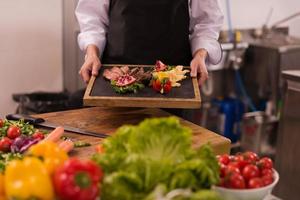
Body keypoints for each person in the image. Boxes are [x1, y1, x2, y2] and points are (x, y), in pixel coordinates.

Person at [75, 0, 224, 86]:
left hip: (173, 80)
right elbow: (92, 18)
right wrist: (92, 53)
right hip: (117, 76)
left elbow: (207, 22)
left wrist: (200, 55)